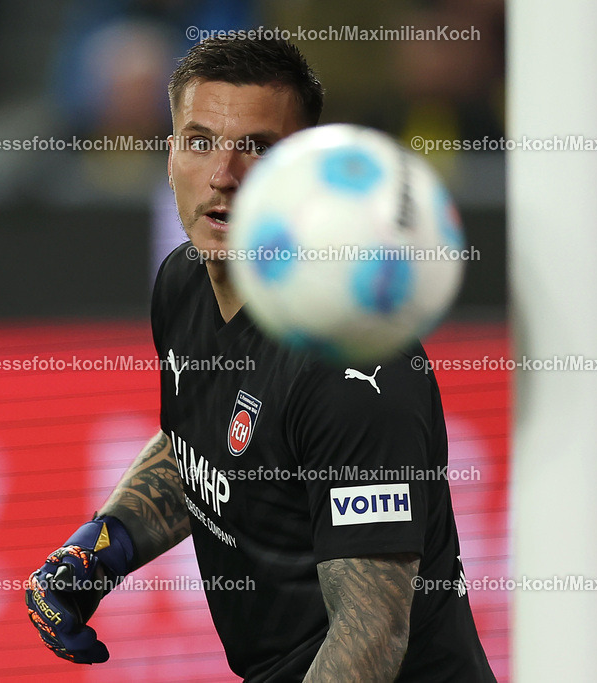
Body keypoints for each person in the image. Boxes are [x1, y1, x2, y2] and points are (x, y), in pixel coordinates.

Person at [25, 37, 496, 683]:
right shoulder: (183, 282)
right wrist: (101, 549)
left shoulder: (354, 367)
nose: (223, 173)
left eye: (257, 147)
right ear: (168, 156)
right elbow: (202, 441)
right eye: (199, 141)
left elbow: (372, 637)